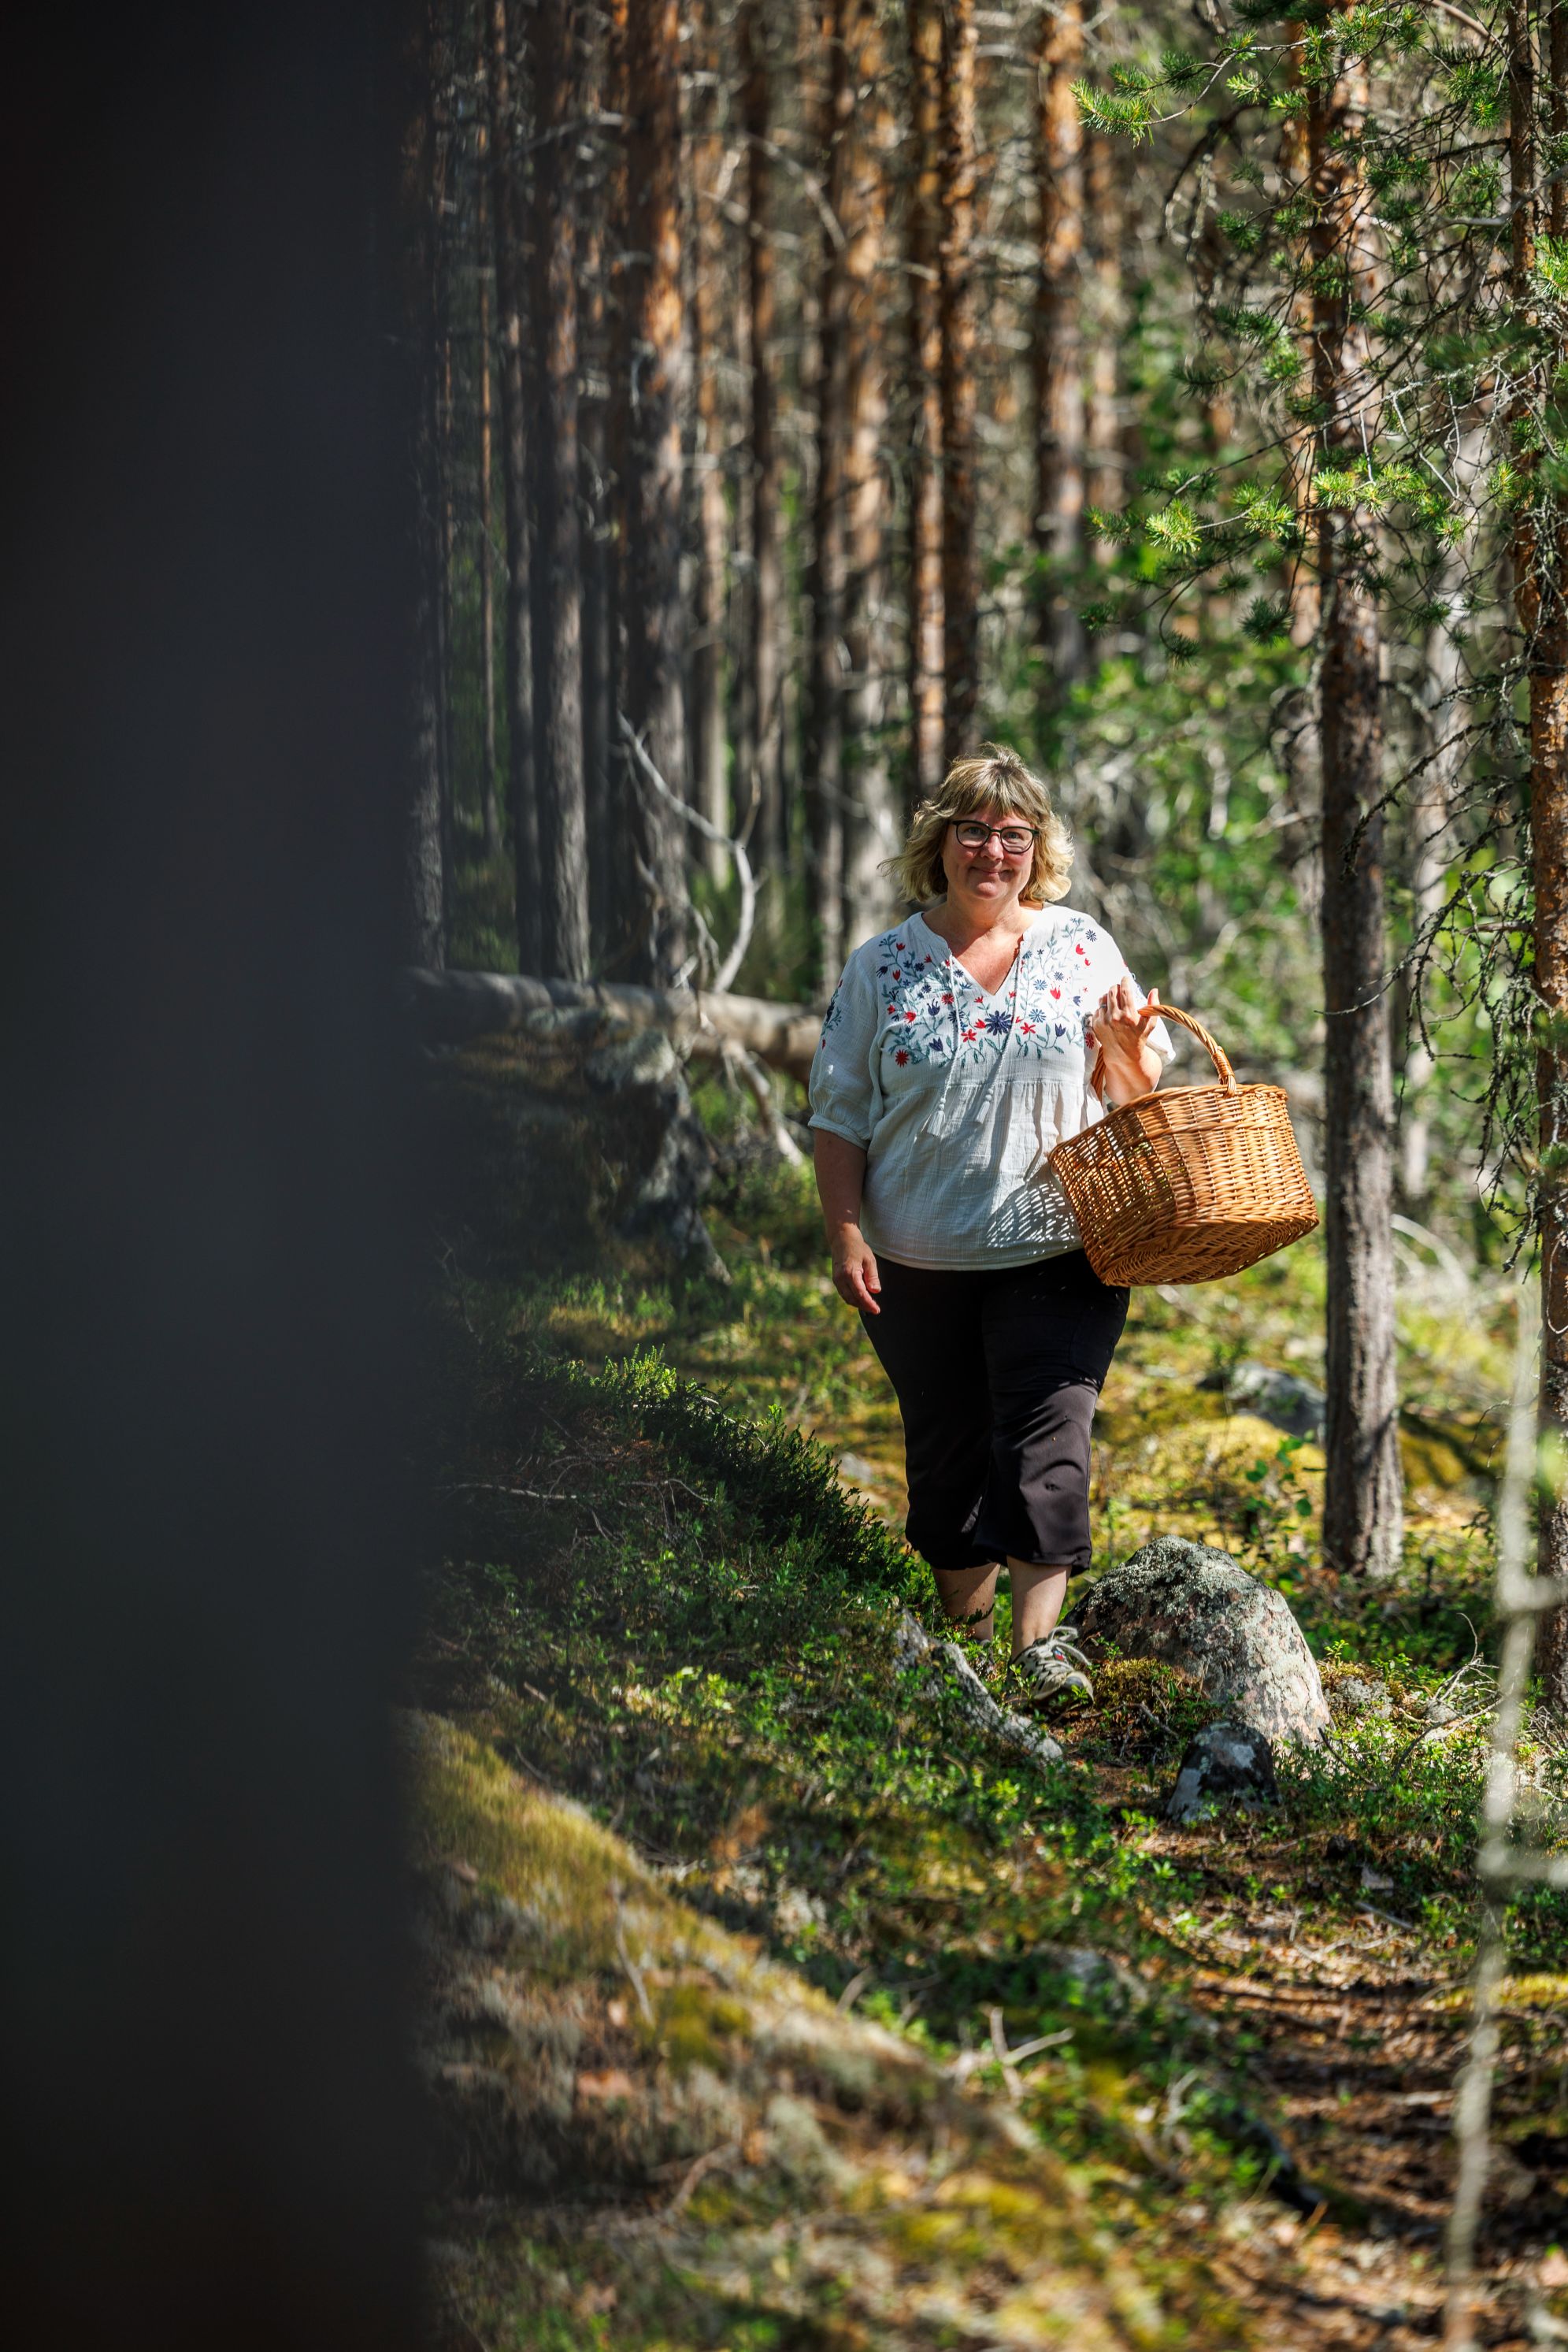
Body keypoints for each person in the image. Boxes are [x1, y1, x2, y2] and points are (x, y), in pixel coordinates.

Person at [808, 744, 1172, 1708]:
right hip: (914, 1261)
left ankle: (1036, 1663)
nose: (993, 851)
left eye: (1013, 835)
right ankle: (968, 1668)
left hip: (1060, 1249)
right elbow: (839, 1112)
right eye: (973, 830)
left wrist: (1131, 1060)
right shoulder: (881, 966)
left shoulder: (1082, 946)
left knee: (1047, 1441)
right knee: (947, 1455)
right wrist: (845, 1233)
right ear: (941, 841)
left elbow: (1133, 1092)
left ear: (1035, 849)